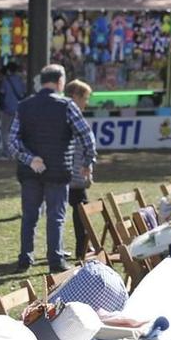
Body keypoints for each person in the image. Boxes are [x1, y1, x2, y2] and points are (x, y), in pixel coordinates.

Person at [9, 62, 98, 273]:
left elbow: (12, 141)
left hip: (30, 171)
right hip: (59, 170)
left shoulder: (24, 106)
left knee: (29, 215)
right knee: (56, 217)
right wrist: (87, 162)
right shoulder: (67, 105)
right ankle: (55, 260)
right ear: (60, 82)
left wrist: (29, 158)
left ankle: (25, 257)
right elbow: (86, 136)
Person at [64, 79, 97, 260]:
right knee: (81, 211)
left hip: (72, 174)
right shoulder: (73, 117)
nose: (87, 102)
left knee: (67, 211)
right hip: (74, 175)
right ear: (75, 96)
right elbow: (82, 146)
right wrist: (85, 169)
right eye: (85, 98)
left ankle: (79, 246)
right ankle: (82, 248)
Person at [0, 62, 27, 158]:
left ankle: (7, 152)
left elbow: (2, 94)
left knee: (5, 131)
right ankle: (15, 151)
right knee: (15, 132)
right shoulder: (20, 80)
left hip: (7, 109)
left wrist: (0, 106)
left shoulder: (5, 81)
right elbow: (23, 94)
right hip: (18, 108)